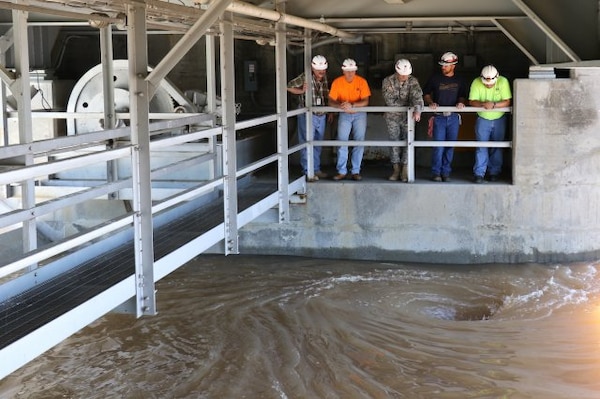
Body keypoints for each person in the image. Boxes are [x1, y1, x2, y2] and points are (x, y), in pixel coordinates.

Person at [423, 51, 468, 182]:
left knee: (450, 146)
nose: (443, 68)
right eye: (442, 65)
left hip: (453, 117)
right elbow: (426, 93)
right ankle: (436, 172)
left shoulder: (460, 80)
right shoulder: (435, 78)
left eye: (446, 66)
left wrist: (461, 102)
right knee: (438, 147)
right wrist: (431, 103)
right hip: (439, 117)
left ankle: (446, 172)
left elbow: (462, 95)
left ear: (453, 66)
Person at [287, 55, 333, 181]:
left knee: (317, 143)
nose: (321, 73)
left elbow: (325, 95)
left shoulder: (324, 78)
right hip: (307, 114)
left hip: (321, 113)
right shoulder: (305, 76)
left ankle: (316, 169)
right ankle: (308, 171)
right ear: (313, 69)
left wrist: (330, 111)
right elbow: (288, 86)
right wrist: (301, 91)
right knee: (307, 142)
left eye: (323, 70)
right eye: (319, 71)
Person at [328, 58, 372, 181]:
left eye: (352, 71)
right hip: (344, 113)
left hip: (359, 113)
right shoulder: (337, 82)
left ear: (355, 70)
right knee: (342, 141)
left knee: (359, 142)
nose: (350, 73)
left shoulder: (361, 82)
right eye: (348, 71)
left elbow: (365, 101)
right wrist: (340, 106)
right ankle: (341, 171)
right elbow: (331, 100)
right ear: (343, 71)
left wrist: (353, 106)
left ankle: (355, 171)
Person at [468, 65, 512, 183]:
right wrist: (483, 104)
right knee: (481, 146)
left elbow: (508, 101)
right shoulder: (476, 82)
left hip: (499, 118)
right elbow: (472, 101)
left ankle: (494, 172)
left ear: (496, 78)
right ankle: (479, 173)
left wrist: (494, 105)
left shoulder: (503, 82)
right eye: (486, 83)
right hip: (482, 118)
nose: (488, 85)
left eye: (491, 83)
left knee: (497, 146)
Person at [382, 59, 424, 182]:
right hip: (392, 117)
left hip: (408, 117)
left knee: (408, 141)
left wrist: (417, 109)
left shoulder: (413, 81)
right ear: (396, 71)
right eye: (402, 74)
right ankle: (396, 169)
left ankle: (405, 169)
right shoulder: (388, 81)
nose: (404, 77)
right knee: (394, 142)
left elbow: (417, 96)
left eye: (406, 74)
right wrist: (408, 104)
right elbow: (389, 100)